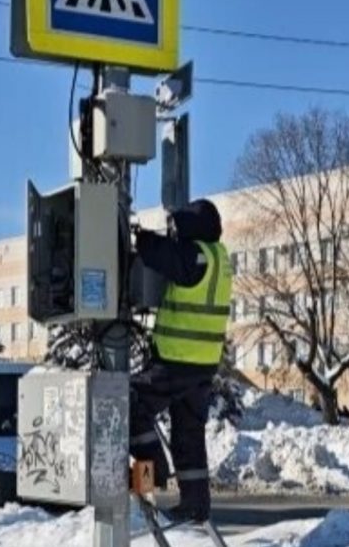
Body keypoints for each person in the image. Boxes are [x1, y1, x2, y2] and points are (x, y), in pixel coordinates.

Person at [129, 199, 233, 523]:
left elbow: (162, 255)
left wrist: (140, 237)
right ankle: (196, 504)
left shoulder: (196, 256)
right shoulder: (219, 257)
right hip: (202, 365)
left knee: (128, 403)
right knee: (188, 434)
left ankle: (154, 472)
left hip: (178, 360)